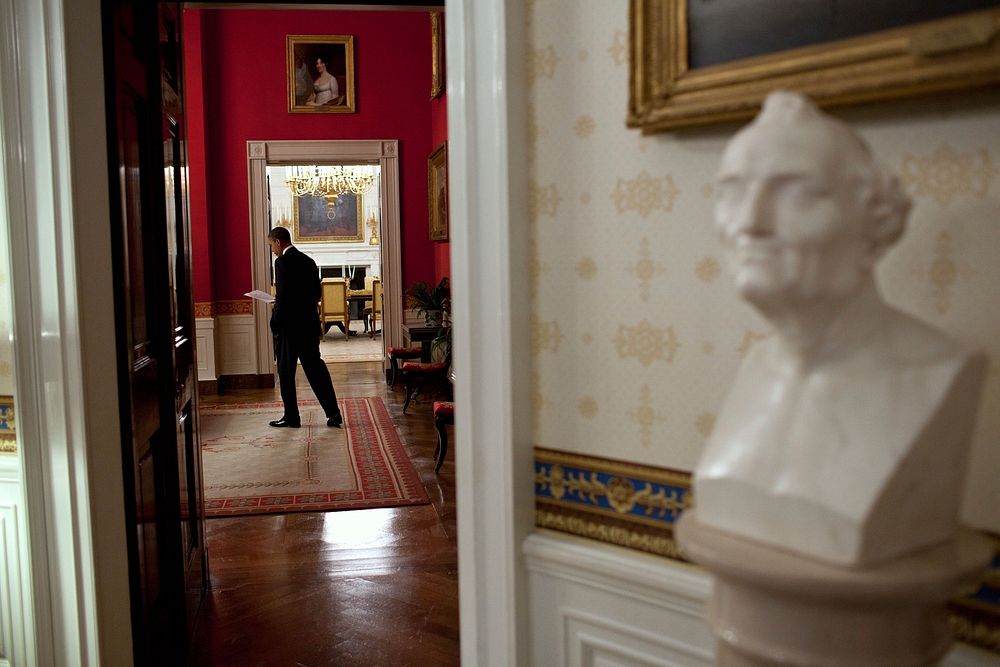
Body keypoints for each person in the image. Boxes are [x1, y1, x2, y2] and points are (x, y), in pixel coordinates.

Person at [692, 91, 986, 567]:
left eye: (799, 193)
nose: (750, 222)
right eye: (732, 191)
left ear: (875, 221)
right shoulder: (755, 369)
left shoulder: (943, 370)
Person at [267, 226, 343, 428]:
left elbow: (282, 298)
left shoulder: (281, 262)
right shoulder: (309, 262)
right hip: (308, 325)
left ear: (278, 242)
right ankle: (333, 413)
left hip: (289, 328)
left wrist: (275, 321)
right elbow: (316, 295)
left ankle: (291, 417)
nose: (273, 251)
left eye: (272, 246)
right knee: (316, 369)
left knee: (285, 372)